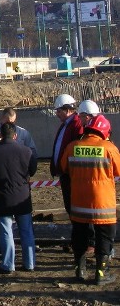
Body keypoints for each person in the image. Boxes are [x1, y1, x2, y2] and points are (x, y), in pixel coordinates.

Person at [60, 114, 120, 285]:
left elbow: (64, 167)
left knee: (79, 236)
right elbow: (118, 170)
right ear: (104, 131)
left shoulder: (73, 146)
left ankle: (80, 270)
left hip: (79, 203)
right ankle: (101, 274)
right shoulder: (109, 148)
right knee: (105, 238)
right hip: (103, 205)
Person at [0, 122, 38, 274]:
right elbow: (32, 170)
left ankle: (7, 264)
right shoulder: (26, 151)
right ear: (16, 135)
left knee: (6, 231)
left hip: (2, 197)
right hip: (22, 197)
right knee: (26, 231)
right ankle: (30, 263)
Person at [50, 94, 83, 224]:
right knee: (70, 207)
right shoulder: (66, 124)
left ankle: (84, 240)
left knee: (75, 208)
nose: (57, 114)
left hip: (71, 175)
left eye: (58, 111)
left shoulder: (76, 125)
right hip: (66, 174)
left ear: (67, 110)